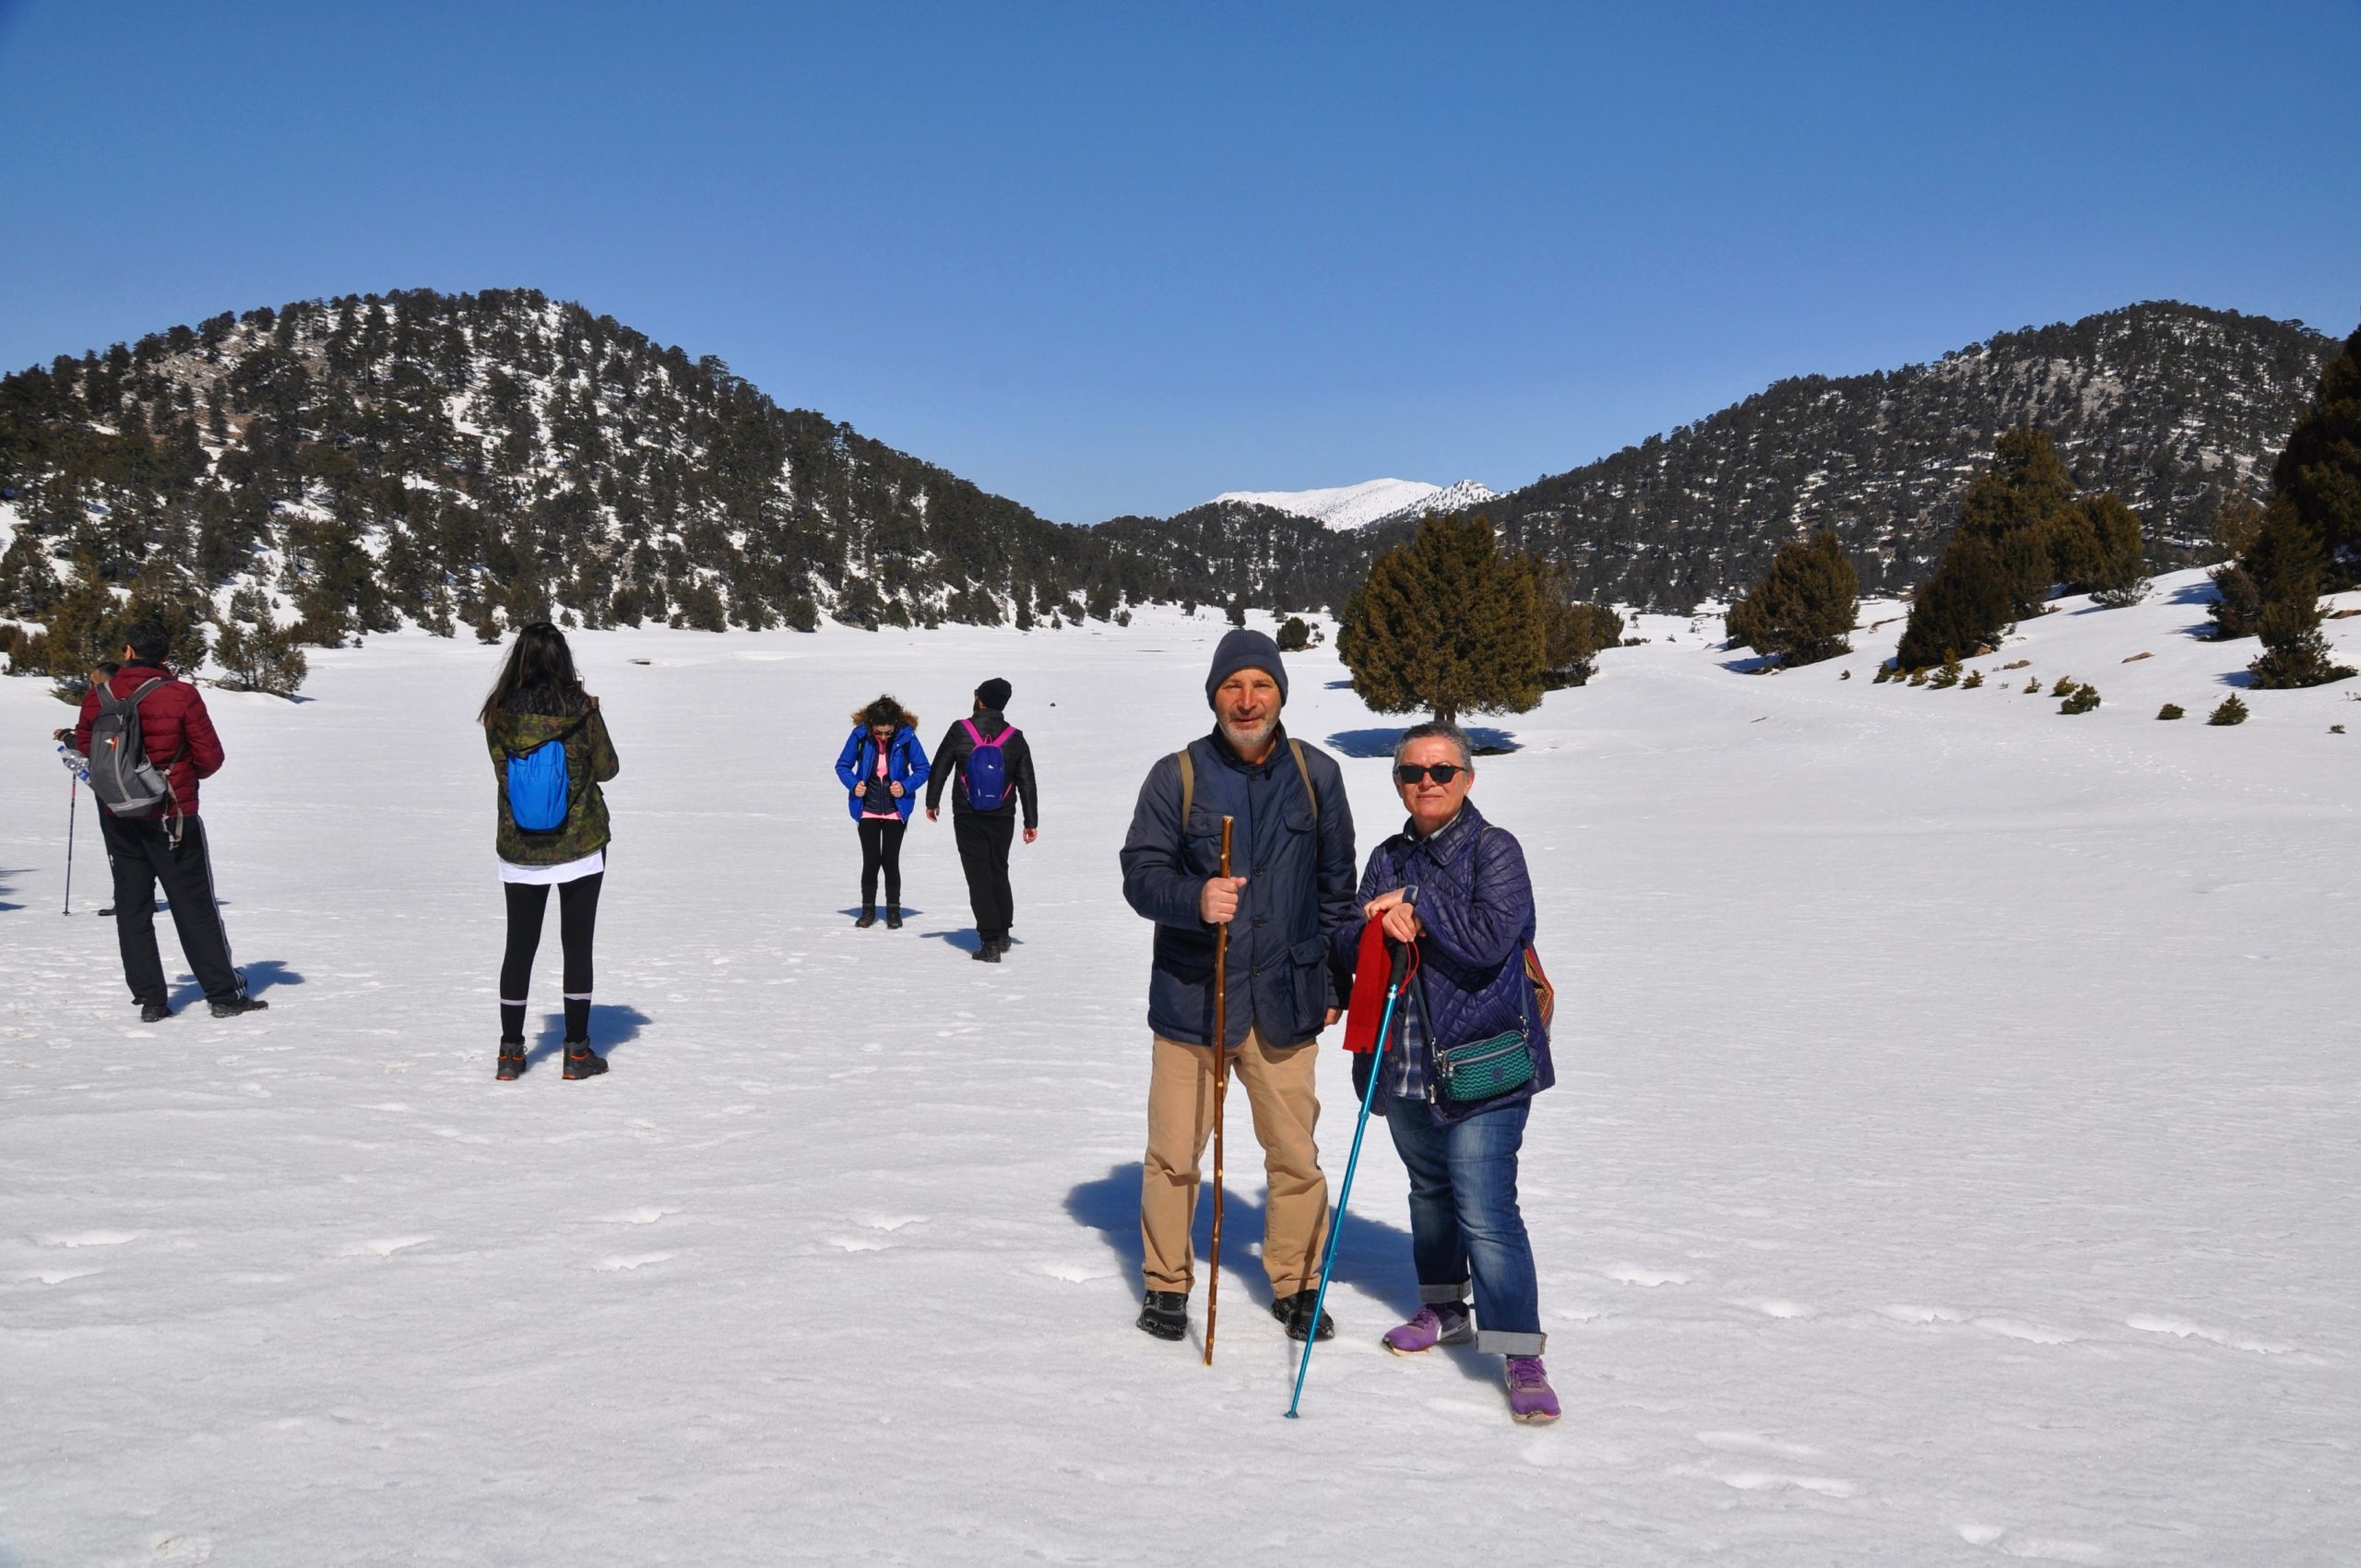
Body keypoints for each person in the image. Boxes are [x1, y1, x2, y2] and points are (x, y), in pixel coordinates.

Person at [1119, 627, 1357, 1343]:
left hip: (1286, 999)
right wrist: (1194, 900)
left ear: (1281, 693)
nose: (1247, 701)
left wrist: (1337, 980)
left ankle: (1297, 1282)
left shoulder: (1317, 776)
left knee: (1294, 1155)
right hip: (1195, 1001)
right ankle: (1166, 1284)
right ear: (1214, 695)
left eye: (1261, 686)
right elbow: (1140, 875)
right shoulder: (1177, 776)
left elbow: (1336, 891)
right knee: (1173, 1154)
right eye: (1233, 686)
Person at [1337, 719, 1560, 1424]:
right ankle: (1444, 1311)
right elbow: (1346, 932)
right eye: (1411, 772)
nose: (1425, 783)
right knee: (1429, 1194)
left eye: (1440, 771)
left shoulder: (1495, 850)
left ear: (1467, 777)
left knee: (1486, 1211)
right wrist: (1375, 921)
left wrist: (1415, 904)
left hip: (1482, 1065)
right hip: (1402, 1059)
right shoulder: (1387, 853)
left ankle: (1519, 1352)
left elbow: (1495, 937)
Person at [73, 626, 263, 1022]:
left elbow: (84, 745)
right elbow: (210, 758)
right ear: (166, 654)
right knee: (194, 905)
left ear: (127, 651)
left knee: (132, 906)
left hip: (119, 814)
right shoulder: (180, 694)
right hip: (171, 815)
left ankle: (151, 1000)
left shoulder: (100, 694)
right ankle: (223, 995)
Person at [482, 623, 620, 1081]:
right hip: (579, 844)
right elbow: (608, 769)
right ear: (563, 659)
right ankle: (577, 1053)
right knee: (576, 946)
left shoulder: (499, 715)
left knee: (518, 948)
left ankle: (510, 1053)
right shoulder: (581, 712)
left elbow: (502, 770)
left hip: (519, 846)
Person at [924, 676, 1038, 962]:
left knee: (979, 876)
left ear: (980, 699)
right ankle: (1002, 932)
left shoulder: (959, 730)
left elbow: (940, 766)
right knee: (999, 869)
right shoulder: (1015, 736)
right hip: (1003, 816)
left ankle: (989, 943)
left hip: (967, 814)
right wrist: (1030, 821)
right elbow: (1027, 782)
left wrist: (932, 801)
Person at [834, 695, 929, 929]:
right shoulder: (860, 736)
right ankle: (868, 911)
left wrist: (905, 786)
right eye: (879, 732)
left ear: (895, 724)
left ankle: (893, 911)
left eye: (888, 732)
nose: (883, 736)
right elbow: (842, 765)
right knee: (871, 860)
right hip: (867, 808)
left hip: (896, 810)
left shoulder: (907, 737)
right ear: (871, 726)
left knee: (890, 860)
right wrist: (854, 784)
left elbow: (923, 768)